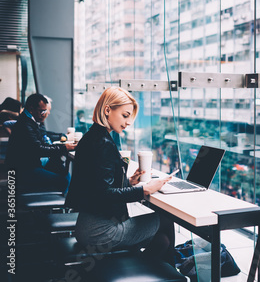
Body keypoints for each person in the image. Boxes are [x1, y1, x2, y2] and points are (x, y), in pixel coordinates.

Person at [65, 87, 177, 265]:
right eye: (125, 115)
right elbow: (104, 194)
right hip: (100, 231)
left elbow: (96, 185)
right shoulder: (103, 143)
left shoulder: (92, 136)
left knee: (162, 240)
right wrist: (144, 189)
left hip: (85, 225)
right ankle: (167, 274)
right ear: (107, 110)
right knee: (165, 219)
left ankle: (148, 271)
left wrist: (128, 182)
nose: (129, 122)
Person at [6, 93, 76, 193]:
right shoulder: (26, 125)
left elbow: (41, 142)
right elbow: (38, 149)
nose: (44, 114)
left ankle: (57, 203)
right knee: (64, 179)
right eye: (42, 111)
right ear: (31, 109)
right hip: (24, 170)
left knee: (62, 171)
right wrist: (64, 148)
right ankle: (58, 205)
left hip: (25, 166)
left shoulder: (30, 121)